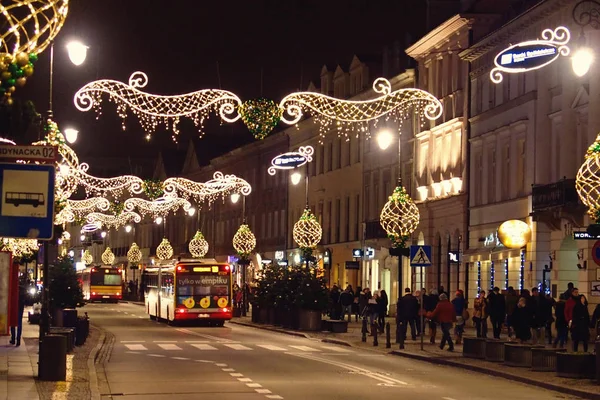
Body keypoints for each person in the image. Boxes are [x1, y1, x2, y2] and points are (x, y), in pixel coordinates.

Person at [10, 278, 27, 346]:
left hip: (14, 307)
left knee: (13, 323)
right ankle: (18, 340)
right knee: (19, 323)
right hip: (20, 307)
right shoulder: (22, 289)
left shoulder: (12, 289)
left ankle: (13, 338)